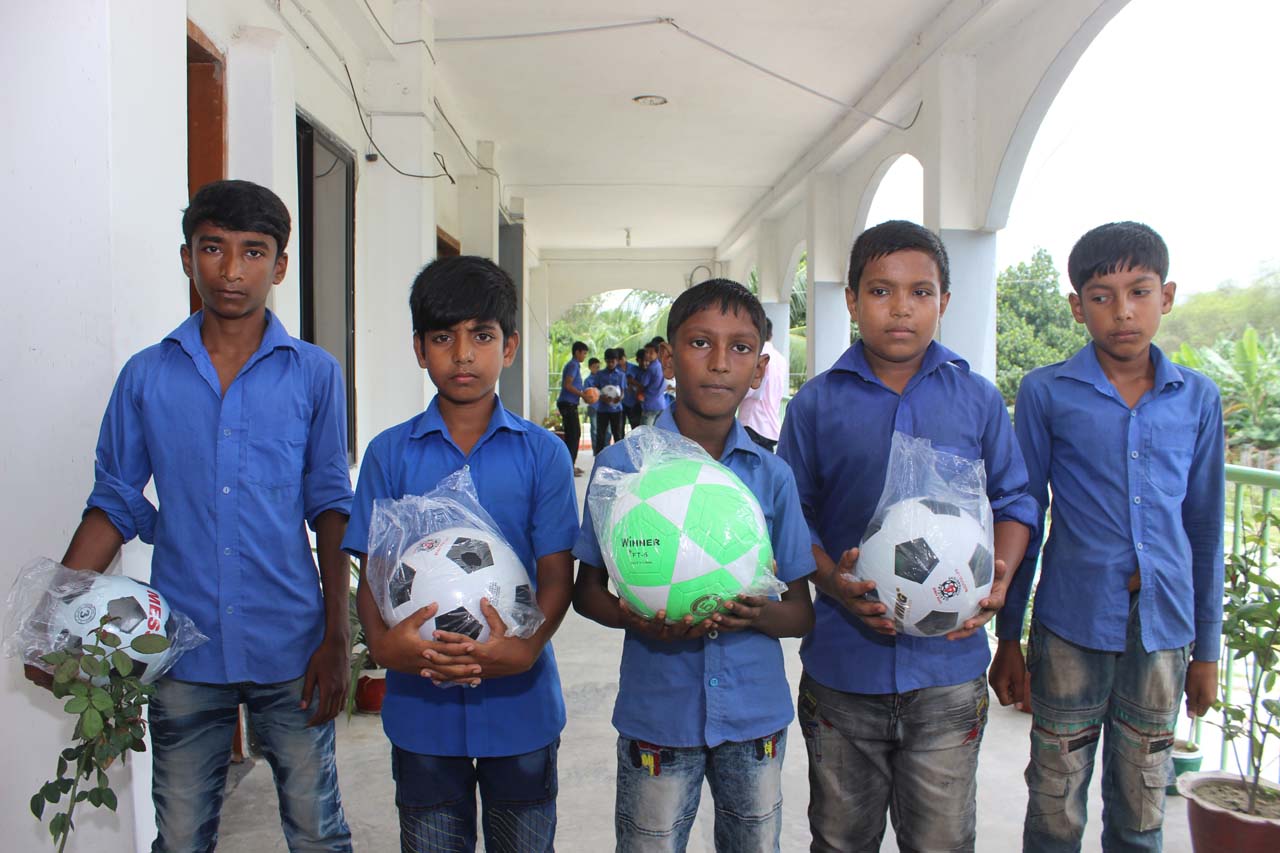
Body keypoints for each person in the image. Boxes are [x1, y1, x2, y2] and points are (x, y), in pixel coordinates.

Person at [24, 179, 355, 851]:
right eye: (213, 248)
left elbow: (329, 505)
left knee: (317, 830)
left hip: (292, 646)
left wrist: (337, 635)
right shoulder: (147, 376)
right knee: (179, 837)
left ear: (279, 267)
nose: (231, 270)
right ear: (187, 257)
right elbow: (114, 502)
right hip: (182, 651)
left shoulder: (314, 374)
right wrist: (52, 620)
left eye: (253, 252)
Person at [776, 220, 1037, 853]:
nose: (901, 308)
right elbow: (788, 516)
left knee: (942, 841)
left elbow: (1016, 499)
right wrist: (831, 581)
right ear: (851, 301)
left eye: (920, 292)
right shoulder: (815, 405)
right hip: (844, 671)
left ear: (944, 301)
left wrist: (999, 578)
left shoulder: (977, 399)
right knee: (840, 839)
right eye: (880, 291)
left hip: (949, 672)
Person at [990, 222, 1224, 853]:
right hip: (1071, 622)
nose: (1122, 311)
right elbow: (1025, 513)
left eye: (1139, 292)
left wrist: (1207, 651)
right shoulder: (1047, 391)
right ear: (1077, 306)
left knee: (1143, 803)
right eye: (1101, 296)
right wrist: (1008, 637)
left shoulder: (1197, 399)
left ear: (1165, 296)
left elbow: (1204, 528)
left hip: (1164, 628)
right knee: (1055, 800)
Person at [343, 255, 576, 853]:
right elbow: (373, 574)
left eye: (482, 336)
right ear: (420, 349)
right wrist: (384, 645)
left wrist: (525, 648)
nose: (464, 354)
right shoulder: (389, 454)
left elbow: (557, 574)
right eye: (444, 338)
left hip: (519, 706)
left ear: (510, 346)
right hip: (423, 708)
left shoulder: (543, 454)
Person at [574, 279, 816, 853]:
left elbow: (801, 613)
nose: (719, 362)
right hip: (657, 716)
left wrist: (757, 615)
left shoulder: (772, 476)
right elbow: (587, 591)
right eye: (700, 343)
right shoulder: (622, 467)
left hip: (754, 718)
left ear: (758, 370)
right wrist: (634, 617)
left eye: (740, 348)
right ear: (668, 356)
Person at [737, 317, 785, 451]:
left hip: (754, 422)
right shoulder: (780, 359)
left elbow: (754, 389)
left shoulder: (760, 356)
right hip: (771, 426)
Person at [558, 341, 588, 475]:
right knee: (573, 435)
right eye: (584, 353)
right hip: (568, 404)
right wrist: (582, 395)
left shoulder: (574, 365)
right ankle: (569, 466)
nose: (584, 356)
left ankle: (571, 464)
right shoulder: (573, 365)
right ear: (577, 352)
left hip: (570, 404)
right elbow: (568, 385)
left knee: (574, 435)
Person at [594, 348, 627, 454]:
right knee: (601, 435)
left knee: (618, 434)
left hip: (616, 409)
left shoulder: (621, 375)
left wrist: (619, 398)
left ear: (617, 361)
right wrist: (602, 397)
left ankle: (619, 456)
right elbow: (595, 391)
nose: (611, 364)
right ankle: (599, 456)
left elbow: (623, 391)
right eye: (608, 361)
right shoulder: (599, 374)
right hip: (602, 409)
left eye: (613, 361)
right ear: (605, 361)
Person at [639, 342, 669, 426]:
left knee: (646, 430)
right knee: (657, 430)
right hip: (661, 403)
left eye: (651, 352)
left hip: (650, 404)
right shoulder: (661, 365)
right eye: (646, 352)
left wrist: (633, 383)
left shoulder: (651, 368)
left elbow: (643, 384)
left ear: (657, 353)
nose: (647, 355)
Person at [623, 347, 646, 430]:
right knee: (636, 427)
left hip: (647, 405)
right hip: (633, 404)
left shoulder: (651, 370)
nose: (645, 363)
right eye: (642, 360)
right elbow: (629, 379)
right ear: (637, 360)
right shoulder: (634, 369)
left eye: (646, 360)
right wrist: (641, 386)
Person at [584, 356, 602, 456]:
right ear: (590, 367)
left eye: (598, 367)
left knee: (607, 431)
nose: (597, 369)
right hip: (593, 407)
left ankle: (605, 449)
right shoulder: (588, 380)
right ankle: (596, 451)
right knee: (594, 429)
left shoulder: (603, 378)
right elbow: (585, 395)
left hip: (603, 408)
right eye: (595, 367)